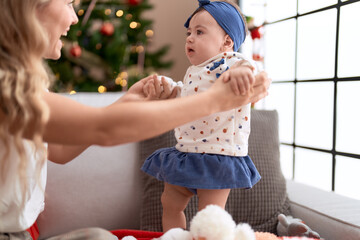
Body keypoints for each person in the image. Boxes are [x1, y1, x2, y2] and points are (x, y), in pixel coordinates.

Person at [0, 0, 270, 239]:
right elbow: (104, 129)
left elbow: (58, 149)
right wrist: (214, 101)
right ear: (31, 8)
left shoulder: (22, 87)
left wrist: (126, 100)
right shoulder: (7, 87)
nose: (74, 17)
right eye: (69, 3)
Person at [141, 0, 261, 232]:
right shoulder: (193, 71)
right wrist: (169, 90)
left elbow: (249, 69)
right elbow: (186, 99)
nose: (189, 38)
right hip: (186, 154)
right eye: (189, 32)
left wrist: (242, 74)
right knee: (170, 203)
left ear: (227, 41)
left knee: (209, 218)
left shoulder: (231, 63)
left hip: (218, 156)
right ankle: (173, 237)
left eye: (199, 32)